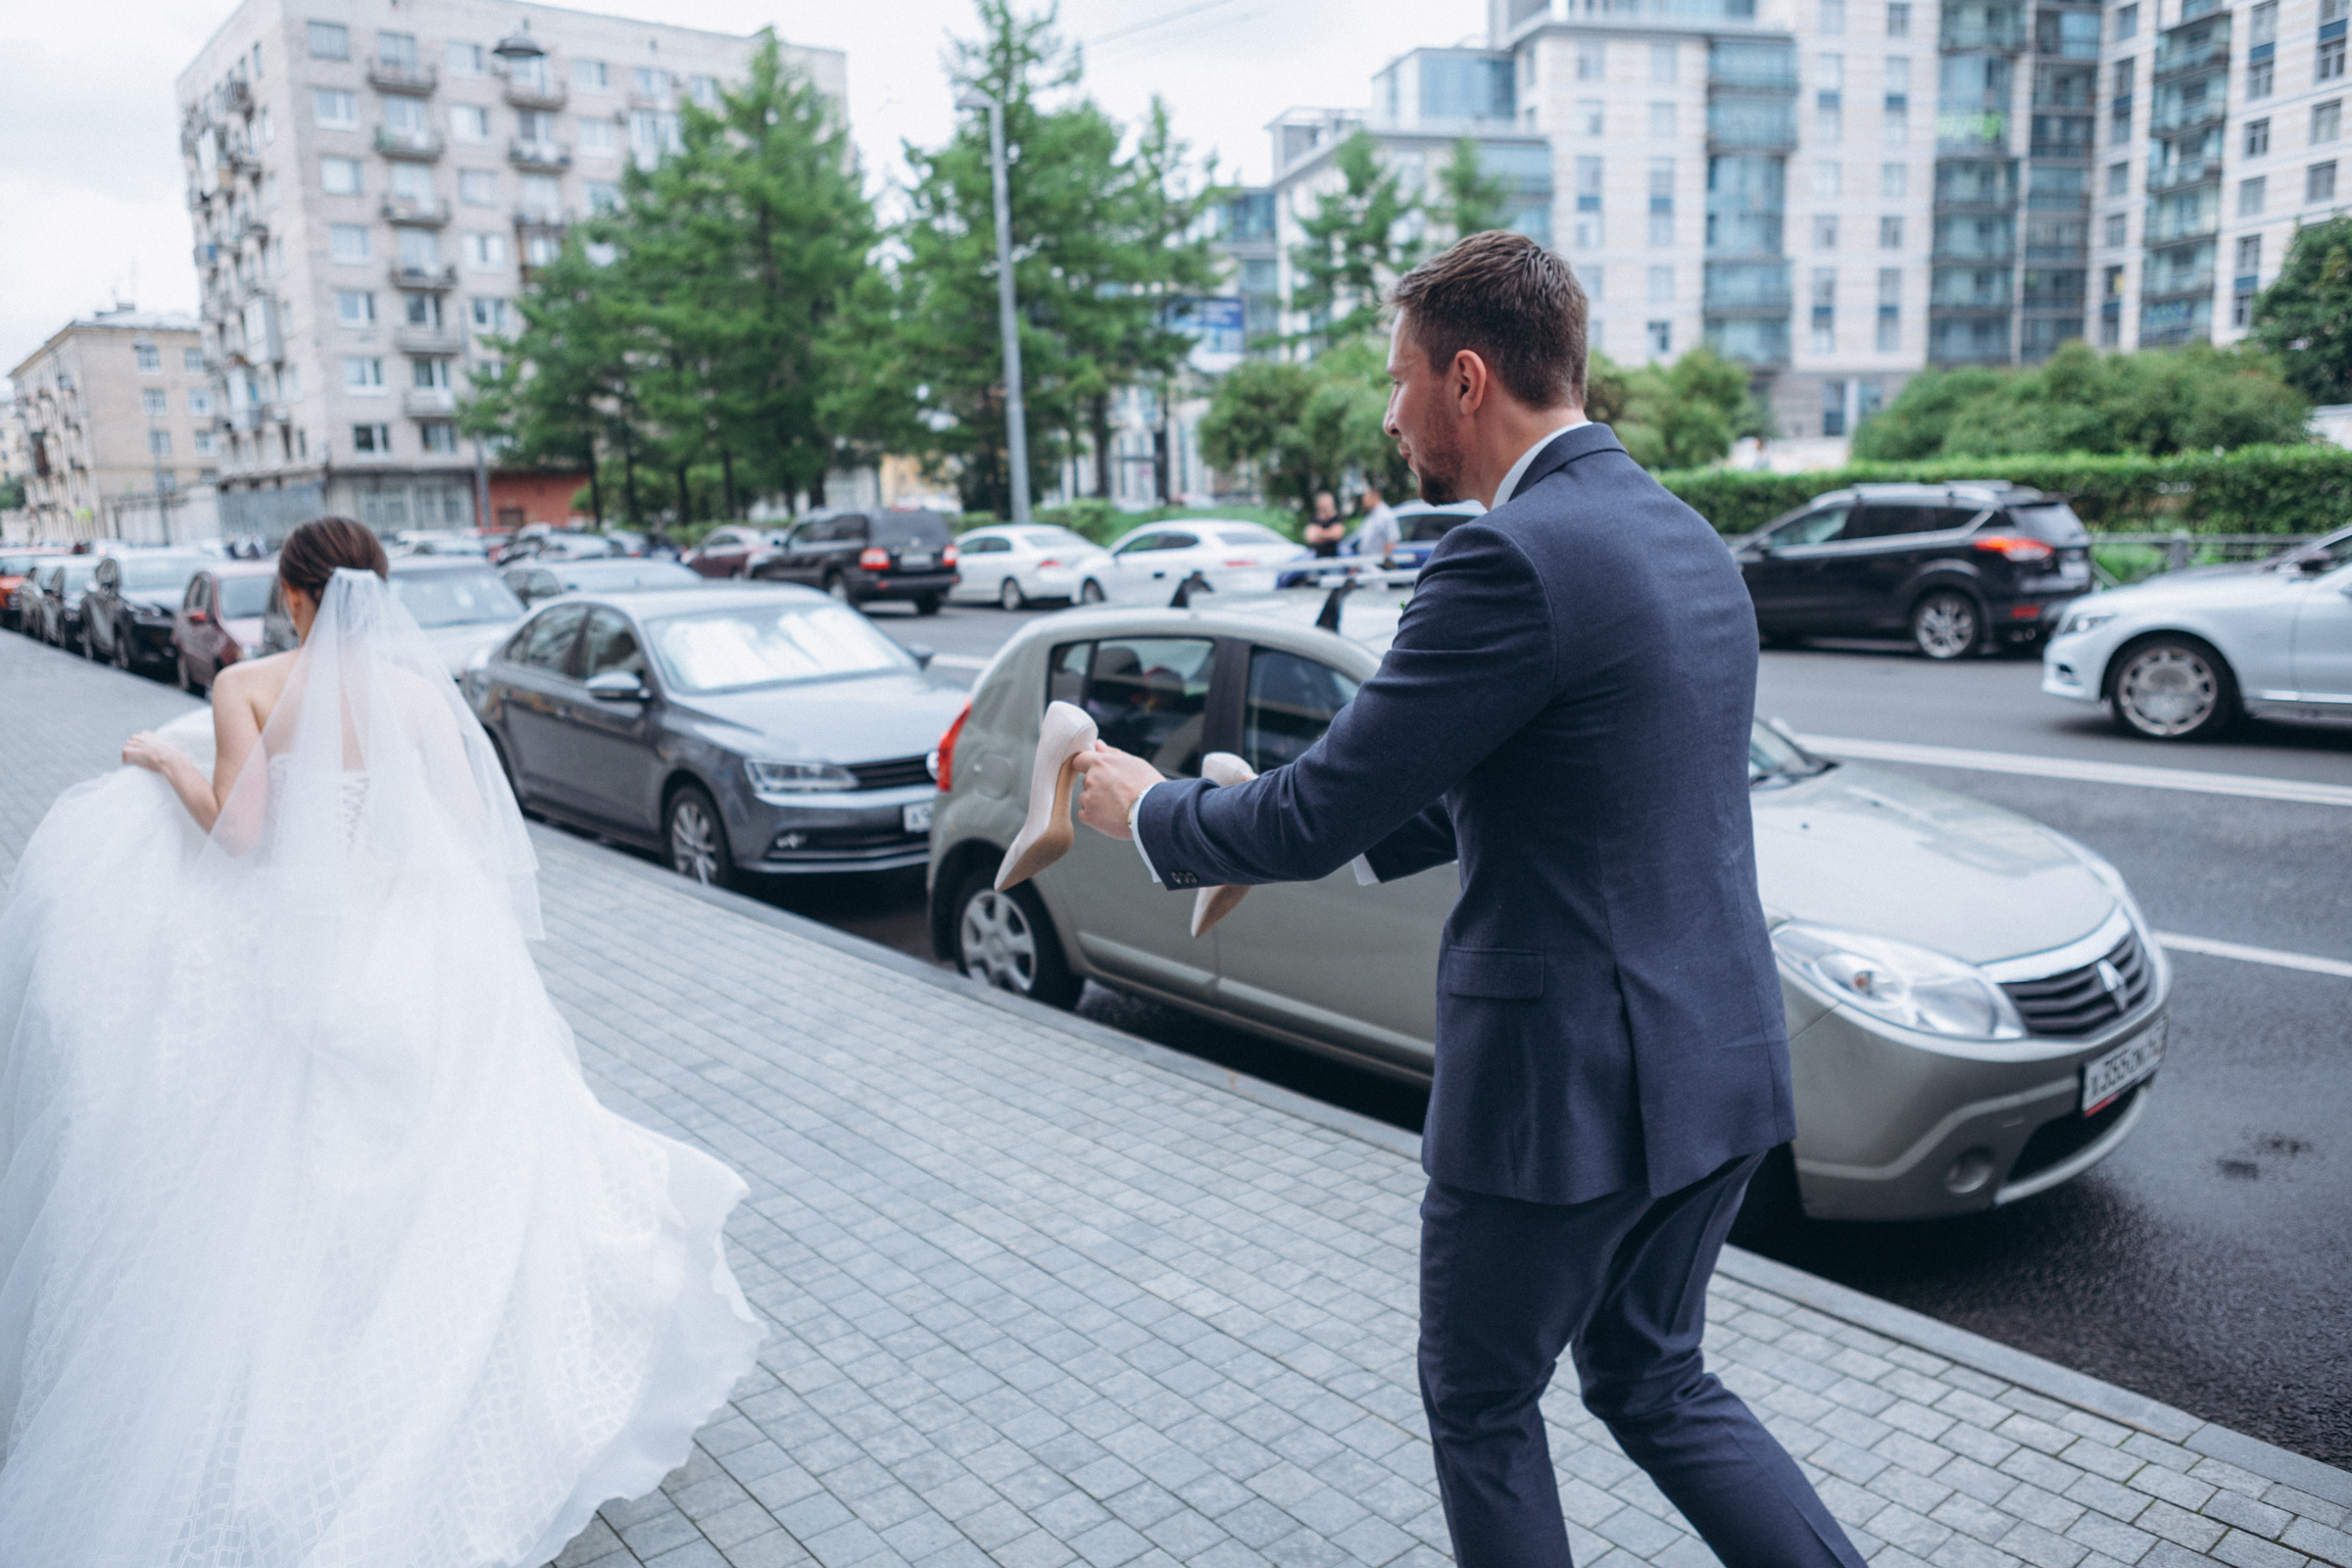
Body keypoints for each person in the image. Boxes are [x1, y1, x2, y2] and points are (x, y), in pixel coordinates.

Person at [1070, 233, 1862, 1568]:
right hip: (1720, 1060)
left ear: (1469, 380)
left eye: (1399, 380)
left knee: (1481, 1402)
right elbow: (1525, 778)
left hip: (1563, 1100)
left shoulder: (1505, 564)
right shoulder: (1683, 539)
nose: (1389, 413)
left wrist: (1144, 809)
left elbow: (1318, 811)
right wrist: (1268, 831)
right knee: (1654, 1379)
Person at [0, 517, 762, 1565]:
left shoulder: (250, 688)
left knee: (289, 1190)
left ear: (301, 599)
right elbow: (457, 829)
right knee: (470, 1169)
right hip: (427, 952)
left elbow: (243, 834)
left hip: (303, 954)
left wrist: (161, 766)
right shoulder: (417, 695)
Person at [1356, 485, 1401, 567]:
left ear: (1375, 497)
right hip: (1367, 562)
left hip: (1378, 563)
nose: (1363, 500)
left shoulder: (1386, 515)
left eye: (1365, 497)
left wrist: (1383, 561)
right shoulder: (1372, 515)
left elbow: (1392, 539)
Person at [1304, 490, 1347, 557]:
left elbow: (1337, 535)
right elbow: (1310, 538)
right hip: (1317, 554)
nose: (1327, 506)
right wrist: (1330, 534)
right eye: (1324, 503)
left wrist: (1319, 533)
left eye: (1328, 503)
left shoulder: (1337, 517)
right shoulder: (1313, 518)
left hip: (1337, 553)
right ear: (1318, 504)